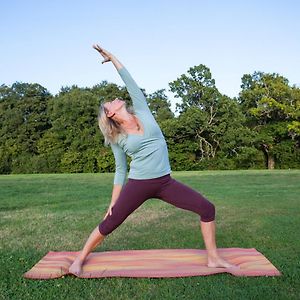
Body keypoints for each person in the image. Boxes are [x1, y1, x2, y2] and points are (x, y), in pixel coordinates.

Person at [69, 44, 238, 275]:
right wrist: (113, 202)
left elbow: (129, 81)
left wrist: (113, 58)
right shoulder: (116, 138)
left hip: (165, 182)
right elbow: (120, 170)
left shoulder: (143, 110)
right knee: (110, 222)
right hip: (138, 184)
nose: (115, 98)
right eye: (110, 102)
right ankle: (79, 259)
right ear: (110, 113)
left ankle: (213, 258)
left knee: (207, 208)